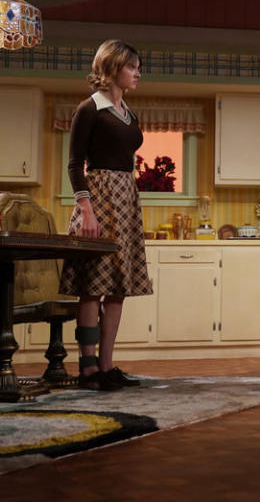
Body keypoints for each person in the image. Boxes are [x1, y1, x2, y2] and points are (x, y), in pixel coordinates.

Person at [60, 39, 153, 390]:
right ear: (113, 68)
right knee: (92, 287)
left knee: (118, 289)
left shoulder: (129, 114)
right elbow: (74, 165)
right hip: (98, 199)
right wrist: (86, 209)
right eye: (132, 67)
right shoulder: (90, 109)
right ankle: (88, 370)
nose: (137, 73)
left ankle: (107, 365)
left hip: (126, 199)